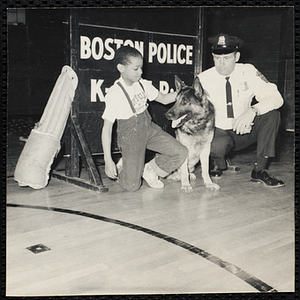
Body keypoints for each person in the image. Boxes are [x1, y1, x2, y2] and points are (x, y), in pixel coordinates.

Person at [197, 33, 285, 188]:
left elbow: (276, 98)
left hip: (246, 130)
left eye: (227, 58)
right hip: (219, 133)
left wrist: (252, 111)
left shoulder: (248, 71)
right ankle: (217, 161)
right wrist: (232, 122)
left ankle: (260, 169)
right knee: (216, 146)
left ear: (237, 57)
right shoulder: (203, 79)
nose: (221, 63)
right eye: (217, 58)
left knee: (272, 115)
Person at [101, 45, 188, 192]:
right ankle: (123, 167)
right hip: (130, 134)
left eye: (141, 68)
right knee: (132, 186)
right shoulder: (115, 93)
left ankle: (150, 170)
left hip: (148, 128)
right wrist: (108, 160)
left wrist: (185, 91)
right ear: (121, 68)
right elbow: (107, 129)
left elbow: (165, 99)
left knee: (181, 152)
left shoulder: (143, 84)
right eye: (136, 69)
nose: (141, 72)